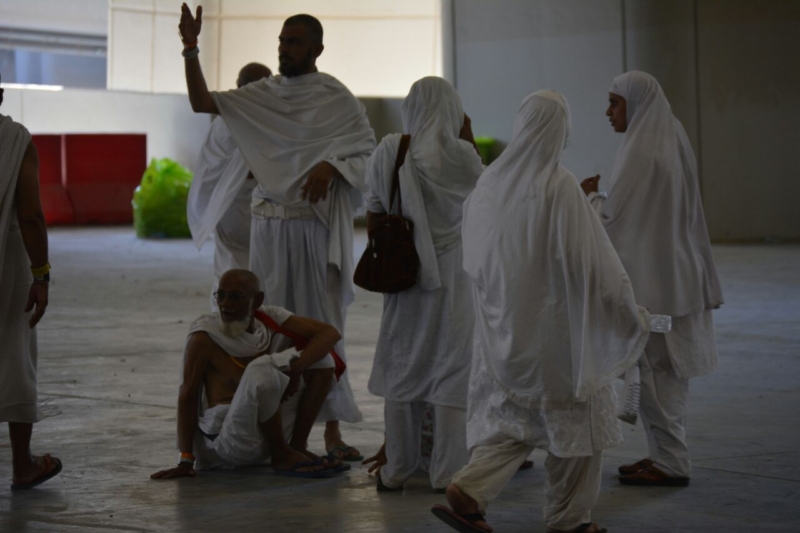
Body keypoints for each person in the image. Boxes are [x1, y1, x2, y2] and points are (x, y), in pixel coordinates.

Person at [432, 91, 651, 533]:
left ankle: (470, 489)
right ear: (559, 131)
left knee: (516, 421)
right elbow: (591, 263)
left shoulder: (489, 185)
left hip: (504, 336)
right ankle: (569, 520)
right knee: (578, 424)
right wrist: (627, 311)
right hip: (555, 335)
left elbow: (473, 260)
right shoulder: (558, 185)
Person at [177, 4, 376, 461]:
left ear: (317, 49)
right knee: (273, 329)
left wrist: (333, 165)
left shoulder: (337, 98)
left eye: (294, 42)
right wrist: (191, 49)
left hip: (313, 229)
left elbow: (367, 153)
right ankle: (279, 438)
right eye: (282, 42)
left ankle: (331, 433)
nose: (284, 49)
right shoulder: (264, 94)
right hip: (268, 229)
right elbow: (202, 102)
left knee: (325, 325)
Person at [581, 71, 724, 487]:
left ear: (636, 103)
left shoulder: (640, 150)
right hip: (676, 278)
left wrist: (588, 197)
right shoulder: (670, 135)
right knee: (664, 370)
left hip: (654, 288)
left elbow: (615, 221)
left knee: (653, 368)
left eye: (615, 103)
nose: (608, 112)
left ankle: (672, 461)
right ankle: (665, 455)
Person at [363, 76, 483, 492]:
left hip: (406, 278)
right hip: (457, 283)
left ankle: (396, 470)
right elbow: (486, 202)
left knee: (403, 366)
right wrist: (468, 137)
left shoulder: (389, 150)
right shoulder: (465, 158)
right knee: (452, 372)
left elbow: (374, 218)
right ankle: (447, 474)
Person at [150, 269, 347, 479]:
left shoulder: (269, 318)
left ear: (257, 300)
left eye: (236, 297)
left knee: (322, 360)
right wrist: (186, 460)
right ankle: (281, 453)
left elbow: (330, 333)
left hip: (267, 435)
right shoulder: (205, 336)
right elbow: (187, 395)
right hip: (232, 440)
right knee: (261, 367)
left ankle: (296, 447)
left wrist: (296, 369)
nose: (225, 304)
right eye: (221, 295)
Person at [0, 75, 62, 489]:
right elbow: (31, 215)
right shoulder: (15, 139)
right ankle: (22, 464)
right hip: (7, 265)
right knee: (13, 352)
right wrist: (41, 274)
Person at [187, 62, 272, 311]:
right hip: (242, 207)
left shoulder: (223, 121)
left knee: (233, 265)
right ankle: (246, 318)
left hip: (244, 207)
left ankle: (231, 318)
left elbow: (210, 170)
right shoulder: (271, 121)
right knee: (253, 268)